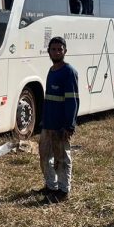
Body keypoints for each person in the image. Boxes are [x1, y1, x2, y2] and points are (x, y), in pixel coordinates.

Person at [39, 36, 79, 204]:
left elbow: (73, 101)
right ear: (49, 51)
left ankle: (63, 190)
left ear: (65, 51)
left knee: (62, 158)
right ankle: (51, 185)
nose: (56, 52)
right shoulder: (51, 71)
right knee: (44, 156)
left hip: (60, 126)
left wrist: (69, 125)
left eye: (59, 49)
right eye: (53, 49)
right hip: (48, 125)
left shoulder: (69, 72)